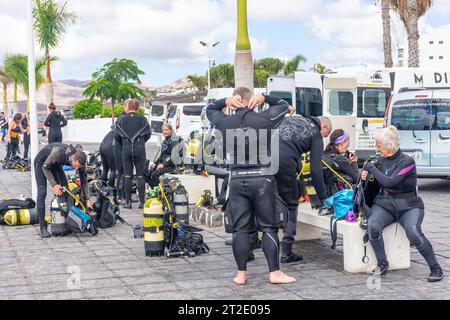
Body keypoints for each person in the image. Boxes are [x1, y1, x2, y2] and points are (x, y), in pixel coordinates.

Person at [207, 87, 296, 285]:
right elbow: (283, 105)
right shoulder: (265, 119)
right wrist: (265, 98)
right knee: (269, 228)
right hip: (262, 178)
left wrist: (225, 102)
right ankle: (274, 273)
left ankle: (241, 274)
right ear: (252, 100)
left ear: (235, 101)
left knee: (240, 230)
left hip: (237, 178)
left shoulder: (224, 121)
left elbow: (209, 109)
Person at [362, 126, 443, 282]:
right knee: (373, 226)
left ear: (389, 145)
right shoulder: (379, 161)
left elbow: (390, 182)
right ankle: (382, 263)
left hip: (409, 206)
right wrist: (366, 176)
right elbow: (373, 186)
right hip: (385, 204)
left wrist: (371, 167)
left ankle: (435, 268)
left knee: (413, 232)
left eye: (379, 146)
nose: (377, 149)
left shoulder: (407, 161)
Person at [275, 114, 332, 264]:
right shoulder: (316, 133)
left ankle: (252, 242)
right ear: (324, 127)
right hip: (283, 163)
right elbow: (315, 170)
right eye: (326, 134)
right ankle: (286, 251)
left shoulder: (294, 118)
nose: (324, 137)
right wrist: (324, 198)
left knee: (264, 201)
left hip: (264, 158)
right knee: (291, 205)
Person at [34, 143, 93, 238]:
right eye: (75, 165)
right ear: (72, 158)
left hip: (56, 164)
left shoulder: (81, 161)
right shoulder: (59, 152)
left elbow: (84, 181)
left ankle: (66, 223)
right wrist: (54, 185)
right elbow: (45, 167)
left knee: (66, 190)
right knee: (42, 192)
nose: (76, 168)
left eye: (78, 167)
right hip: (42, 163)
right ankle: (42, 227)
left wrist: (88, 199)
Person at [114, 99, 151, 209]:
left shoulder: (122, 120)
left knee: (128, 175)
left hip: (126, 148)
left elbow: (117, 136)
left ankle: (128, 202)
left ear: (128, 107)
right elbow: (148, 134)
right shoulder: (143, 119)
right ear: (137, 107)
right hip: (140, 148)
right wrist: (140, 142)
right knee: (140, 175)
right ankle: (142, 202)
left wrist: (126, 143)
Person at [323, 129, 359, 196]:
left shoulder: (325, 155)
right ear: (341, 143)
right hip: (340, 197)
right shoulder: (341, 160)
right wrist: (354, 162)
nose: (348, 146)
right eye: (347, 143)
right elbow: (356, 179)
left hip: (328, 195)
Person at [148, 124, 182, 189]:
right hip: (166, 164)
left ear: (171, 131)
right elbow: (162, 155)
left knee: (155, 174)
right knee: (148, 173)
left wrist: (163, 164)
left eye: (166, 130)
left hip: (173, 166)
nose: (164, 132)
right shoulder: (166, 141)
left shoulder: (174, 141)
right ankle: (155, 189)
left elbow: (174, 156)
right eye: (163, 130)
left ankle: (159, 191)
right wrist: (155, 163)